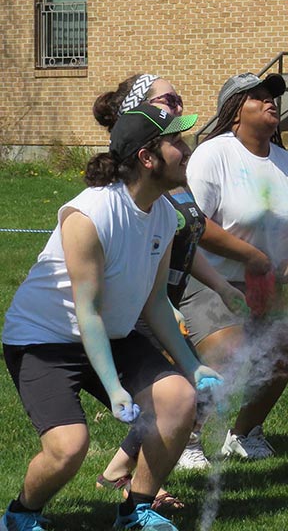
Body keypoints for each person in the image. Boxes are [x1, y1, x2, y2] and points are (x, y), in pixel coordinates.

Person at [2, 104, 220, 531]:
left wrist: (195, 367)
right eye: (175, 141)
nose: (186, 149)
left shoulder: (162, 213)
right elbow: (88, 311)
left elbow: (155, 303)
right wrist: (115, 387)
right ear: (147, 157)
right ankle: (20, 514)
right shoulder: (90, 215)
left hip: (112, 333)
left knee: (178, 400)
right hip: (44, 339)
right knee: (69, 447)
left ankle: (135, 510)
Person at [89, 75, 248, 512]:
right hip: (141, 307)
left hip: (167, 296)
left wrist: (218, 285)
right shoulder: (134, 185)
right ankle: (136, 481)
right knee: (169, 394)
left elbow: (185, 239)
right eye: (169, 100)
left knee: (194, 384)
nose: (179, 106)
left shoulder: (172, 174)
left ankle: (120, 468)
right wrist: (162, 311)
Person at [180, 72, 288, 460]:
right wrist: (251, 257)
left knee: (280, 351)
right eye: (256, 98)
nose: (270, 102)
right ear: (234, 112)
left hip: (268, 284)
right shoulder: (215, 155)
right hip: (212, 278)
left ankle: (243, 434)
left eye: (272, 97)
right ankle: (188, 437)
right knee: (228, 350)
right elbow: (195, 221)